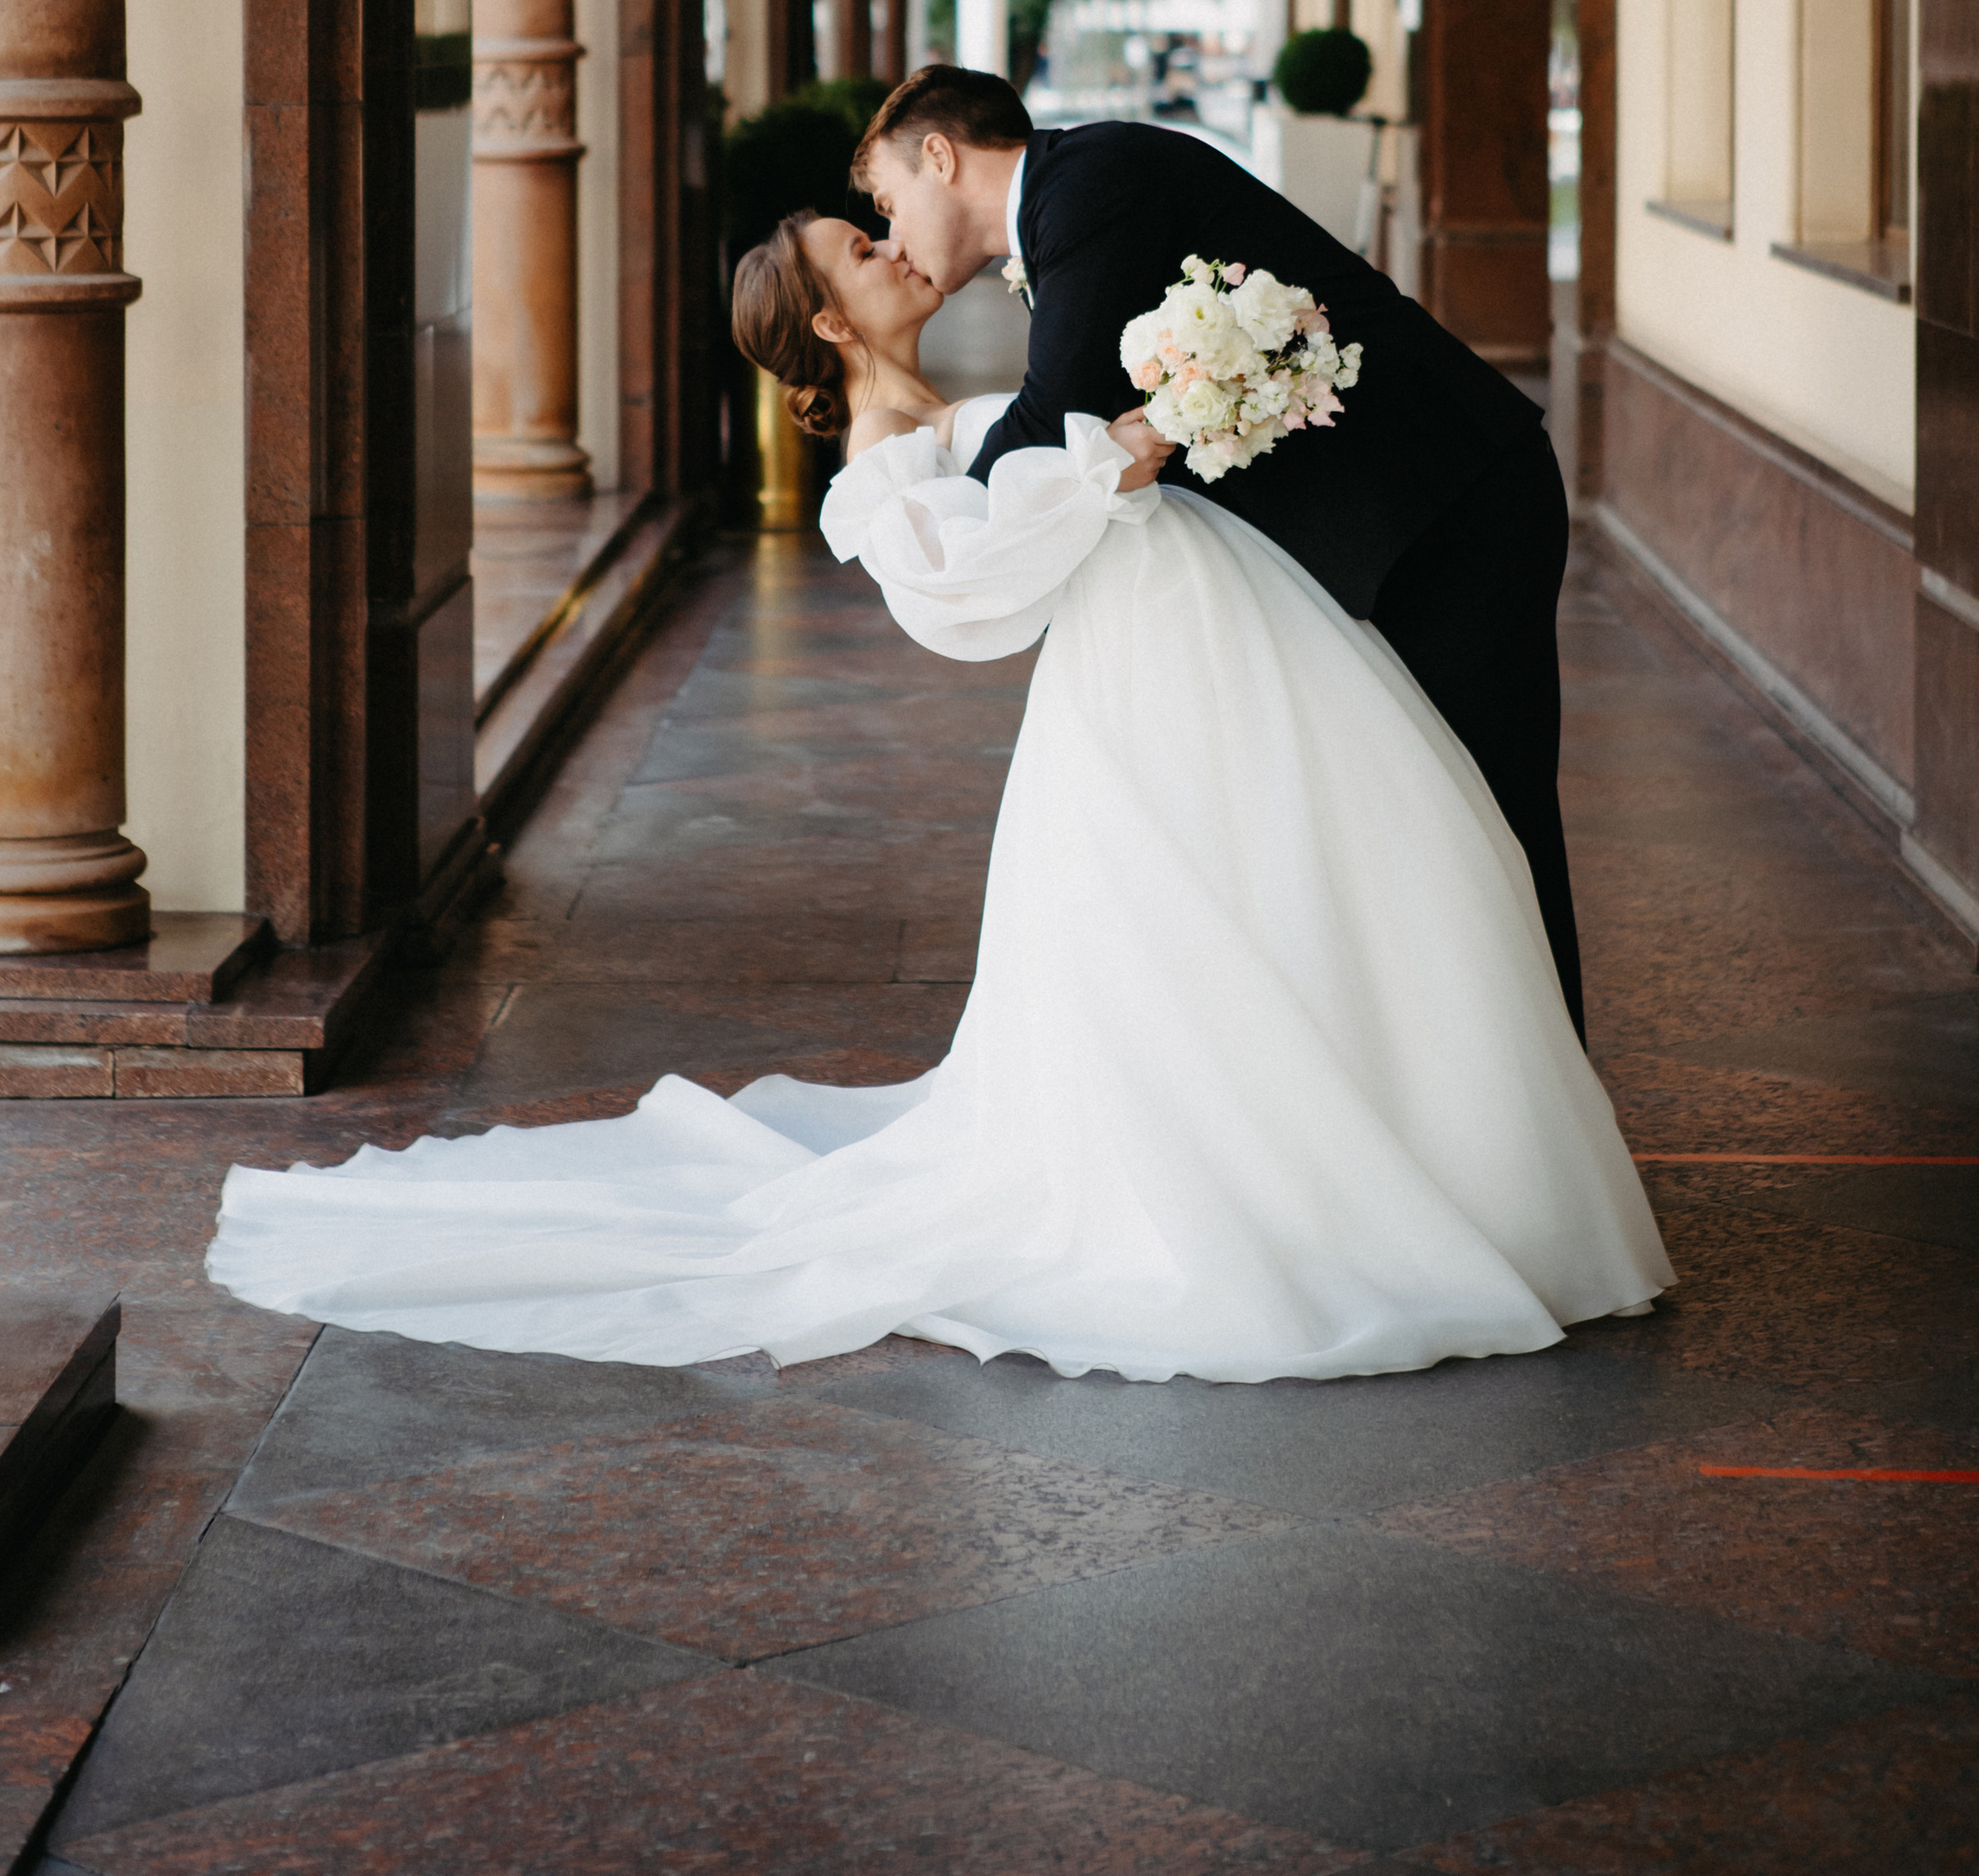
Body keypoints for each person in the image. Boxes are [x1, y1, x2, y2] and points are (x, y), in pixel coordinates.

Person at [205, 209, 1669, 1385]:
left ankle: (1412, 1167)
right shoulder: (877, 472)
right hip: (1143, 691)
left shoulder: (971, 400)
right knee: (1205, 949)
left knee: (1336, 895)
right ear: (833, 322)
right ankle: (1281, 1208)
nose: (894, 246)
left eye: (877, 225)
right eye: (862, 250)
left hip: (1228, 644)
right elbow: (968, 603)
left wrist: (1164, 426)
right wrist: (1133, 447)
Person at [854, 66, 1588, 1036]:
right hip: (1395, 528)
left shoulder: (1092, 183)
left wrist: (950, 528)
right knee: (1438, 826)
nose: (895, 235)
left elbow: (1056, 413)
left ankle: (1542, 1090)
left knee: (1494, 812)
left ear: (938, 156)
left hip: (1452, 506)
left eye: (886, 203)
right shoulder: (1072, 200)